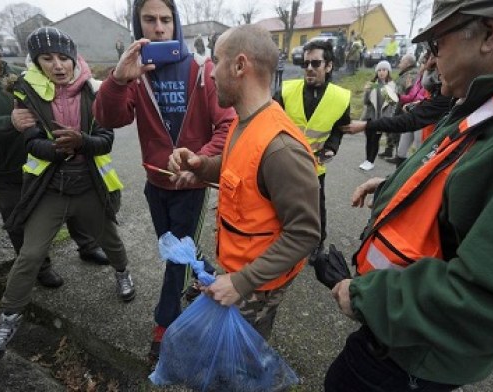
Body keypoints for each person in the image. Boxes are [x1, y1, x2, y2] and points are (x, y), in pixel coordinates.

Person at [326, 1, 493, 390]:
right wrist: (396, 186)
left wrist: (365, 297)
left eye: (436, 44)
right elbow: (473, 182)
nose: (430, 61)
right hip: (406, 338)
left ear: (488, 33)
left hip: (412, 358)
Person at [0, 26, 136, 364]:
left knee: (110, 240)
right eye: (47, 58)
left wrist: (82, 142)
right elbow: (31, 142)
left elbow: (105, 139)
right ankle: (7, 320)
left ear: (74, 57)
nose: (58, 65)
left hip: (89, 185)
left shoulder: (94, 91)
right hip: (50, 190)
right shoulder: (26, 92)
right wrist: (55, 149)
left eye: (64, 57)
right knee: (30, 254)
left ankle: (123, 273)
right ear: (36, 61)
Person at [92, 0, 235, 360]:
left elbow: (228, 123)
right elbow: (109, 118)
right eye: (149, 20)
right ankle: (206, 272)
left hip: (192, 187)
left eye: (166, 20)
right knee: (172, 247)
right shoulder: (136, 75)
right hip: (155, 182)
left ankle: (166, 324)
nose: (158, 28)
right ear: (138, 26)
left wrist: (199, 161)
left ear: (177, 23)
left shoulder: (203, 69)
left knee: (175, 259)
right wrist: (119, 79)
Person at [168, 24, 320, 340]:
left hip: (258, 283)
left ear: (239, 65)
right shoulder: (245, 119)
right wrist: (200, 166)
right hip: (243, 269)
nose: (210, 73)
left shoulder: (281, 148)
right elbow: (239, 165)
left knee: (243, 348)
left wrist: (241, 282)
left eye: (216, 60)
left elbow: (305, 234)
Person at [0, 22, 109, 291]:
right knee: (18, 217)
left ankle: (87, 246)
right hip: (7, 170)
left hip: (48, 160)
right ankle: (41, 267)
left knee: (70, 202)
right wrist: (8, 122)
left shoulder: (24, 73)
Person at [274, 39, 351, 262]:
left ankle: (317, 243)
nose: (308, 68)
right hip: (285, 162)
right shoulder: (286, 91)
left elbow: (340, 127)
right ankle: (285, 239)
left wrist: (331, 148)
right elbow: (269, 122)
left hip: (315, 165)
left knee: (317, 206)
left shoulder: (341, 97)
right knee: (282, 202)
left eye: (315, 63)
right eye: (305, 63)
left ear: (328, 66)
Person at [358, 60, 397, 171]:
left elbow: (392, 103)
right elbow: (366, 102)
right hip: (370, 116)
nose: (381, 72)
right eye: (379, 70)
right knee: (369, 139)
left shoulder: (391, 85)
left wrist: (389, 117)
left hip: (381, 118)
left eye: (384, 70)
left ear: (388, 71)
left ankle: (371, 161)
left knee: (375, 139)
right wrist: (367, 91)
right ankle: (367, 159)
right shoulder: (373, 84)